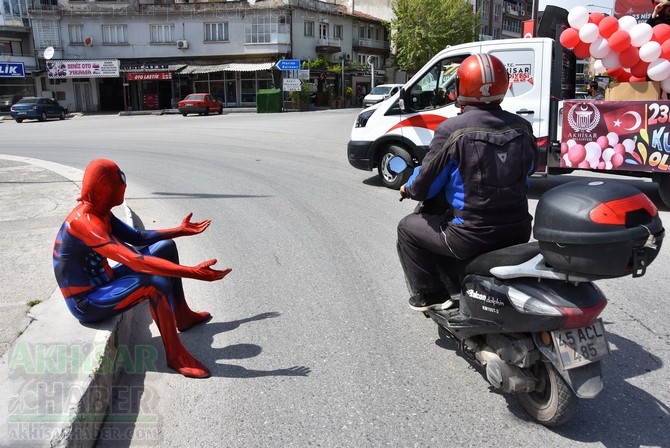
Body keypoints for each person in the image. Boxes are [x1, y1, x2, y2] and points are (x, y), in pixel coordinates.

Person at [53, 158, 232, 378]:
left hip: (105, 282)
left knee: (165, 247)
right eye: (118, 180)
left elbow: (137, 238)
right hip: (86, 302)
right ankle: (176, 356)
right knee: (154, 282)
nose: (123, 185)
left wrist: (180, 230)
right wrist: (193, 272)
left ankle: (183, 316)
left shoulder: (101, 211)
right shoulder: (86, 223)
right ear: (104, 188)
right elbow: (135, 261)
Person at [397, 53, 536, 311]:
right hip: (517, 231)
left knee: (407, 228)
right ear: (502, 86)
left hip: (470, 237)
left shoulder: (453, 130)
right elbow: (527, 177)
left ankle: (431, 295)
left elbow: (425, 186)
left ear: (462, 87)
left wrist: (409, 187)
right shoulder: (523, 128)